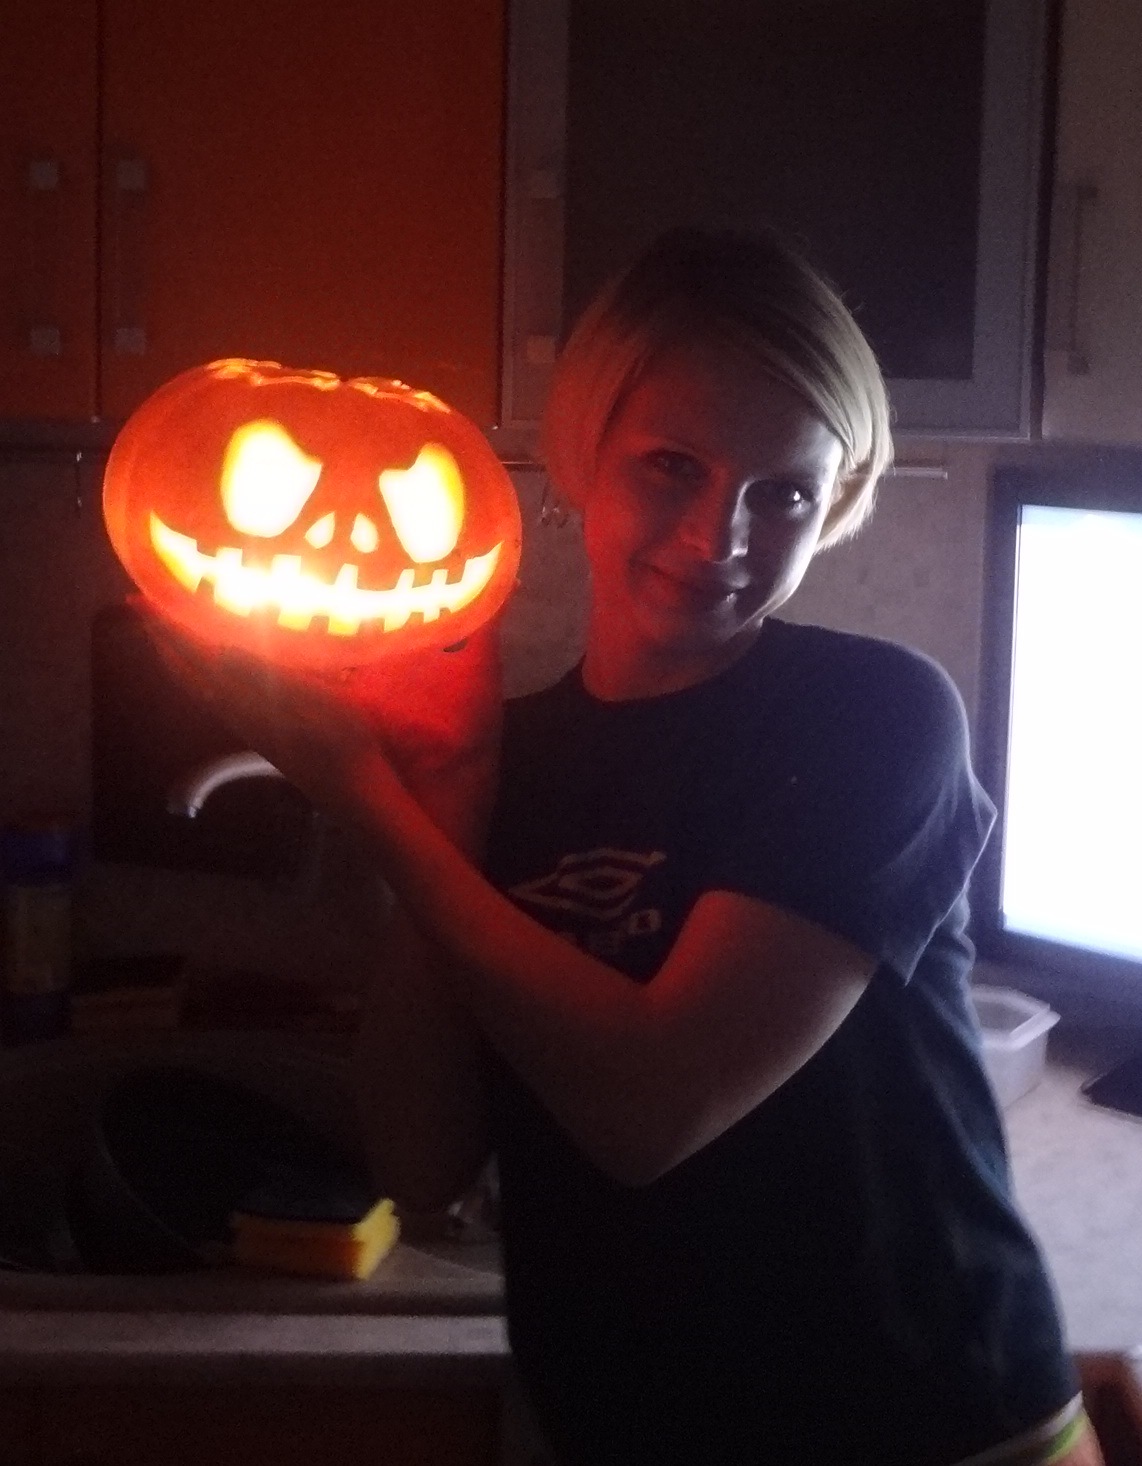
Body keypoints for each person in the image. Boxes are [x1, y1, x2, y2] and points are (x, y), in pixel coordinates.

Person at [150, 227, 1103, 1465]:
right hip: (627, 1425)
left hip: (930, 1423)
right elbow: (420, 1157)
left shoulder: (874, 719)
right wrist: (449, 795)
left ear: (836, 501)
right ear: (580, 453)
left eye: (784, 492)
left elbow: (653, 1107)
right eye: (670, 465)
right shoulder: (505, 758)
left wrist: (366, 797)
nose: (718, 538)